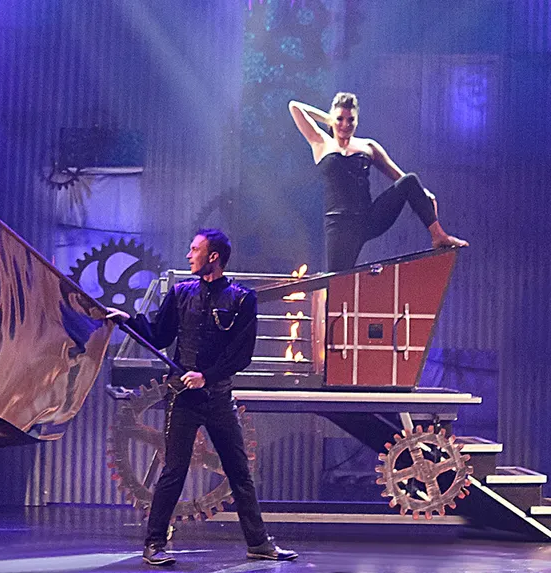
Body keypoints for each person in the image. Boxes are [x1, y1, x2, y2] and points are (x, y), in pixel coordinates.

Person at [107, 228, 298, 566]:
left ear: (213, 257)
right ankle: (154, 544)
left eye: (194, 249)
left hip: (219, 398)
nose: (188, 255)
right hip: (183, 398)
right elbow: (159, 333)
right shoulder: (180, 293)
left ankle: (259, 543)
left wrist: (206, 376)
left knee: (239, 472)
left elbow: (241, 355)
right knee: (174, 470)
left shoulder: (242, 298)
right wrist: (129, 322)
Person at [288, 92, 468, 272]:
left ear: (357, 121)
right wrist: (330, 119)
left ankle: (439, 236)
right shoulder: (321, 143)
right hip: (340, 225)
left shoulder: (368, 146)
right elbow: (295, 107)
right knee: (337, 282)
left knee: (411, 180)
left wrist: (424, 194)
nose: (345, 124)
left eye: (351, 120)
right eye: (340, 119)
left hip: (369, 218)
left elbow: (400, 177)